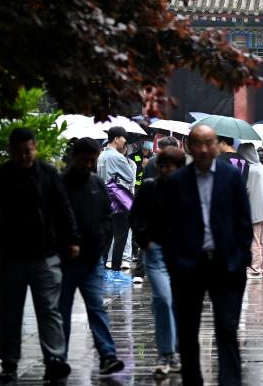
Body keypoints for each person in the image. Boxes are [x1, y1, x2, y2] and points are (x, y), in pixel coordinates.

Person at [0, 127, 79, 384]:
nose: (24, 156)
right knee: (9, 313)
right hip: (11, 256)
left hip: (45, 254)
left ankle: (54, 360)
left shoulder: (48, 173)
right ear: (11, 151)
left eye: (28, 151)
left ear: (35, 148)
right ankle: (9, 363)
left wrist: (72, 239)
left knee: (49, 310)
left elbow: (63, 207)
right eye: (19, 152)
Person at [159, 123, 252, 386]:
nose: (203, 149)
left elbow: (243, 221)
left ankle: (230, 381)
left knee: (227, 329)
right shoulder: (177, 181)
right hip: (188, 267)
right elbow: (167, 225)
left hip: (226, 265)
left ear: (216, 146)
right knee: (188, 332)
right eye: (197, 143)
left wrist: (241, 258)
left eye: (208, 143)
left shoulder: (231, 177)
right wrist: (174, 261)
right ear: (189, 146)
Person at [57, 138, 124, 375]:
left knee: (96, 307)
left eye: (92, 160)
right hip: (65, 260)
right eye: (84, 160)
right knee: (62, 310)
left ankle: (108, 355)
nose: (88, 164)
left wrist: (100, 243)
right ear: (74, 157)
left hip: (92, 259)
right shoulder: (60, 184)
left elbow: (106, 217)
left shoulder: (96, 183)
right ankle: (58, 359)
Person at [131, 146, 186, 377]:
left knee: (175, 303)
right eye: (163, 166)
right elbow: (135, 216)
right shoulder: (149, 188)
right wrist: (146, 242)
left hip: (181, 255)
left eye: (171, 167)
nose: (166, 171)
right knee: (163, 299)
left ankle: (174, 351)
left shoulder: (189, 190)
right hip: (156, 253)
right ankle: (165, 353)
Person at [98, 126, 136, 274]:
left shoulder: (102, 155)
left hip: (104, 198)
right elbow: (130, 177)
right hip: (118, 199)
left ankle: (102, 268)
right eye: (123, 138)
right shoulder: (117, 157)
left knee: (108, 236)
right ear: (116, 139)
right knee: (121, 235)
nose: (125, 141)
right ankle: (115, 270)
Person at [240, 142, 263, 279]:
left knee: (254, 241)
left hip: (254, 211)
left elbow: (245, 190)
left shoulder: (249, 169)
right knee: (262, 241)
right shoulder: (260, 166)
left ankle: (254, 269)